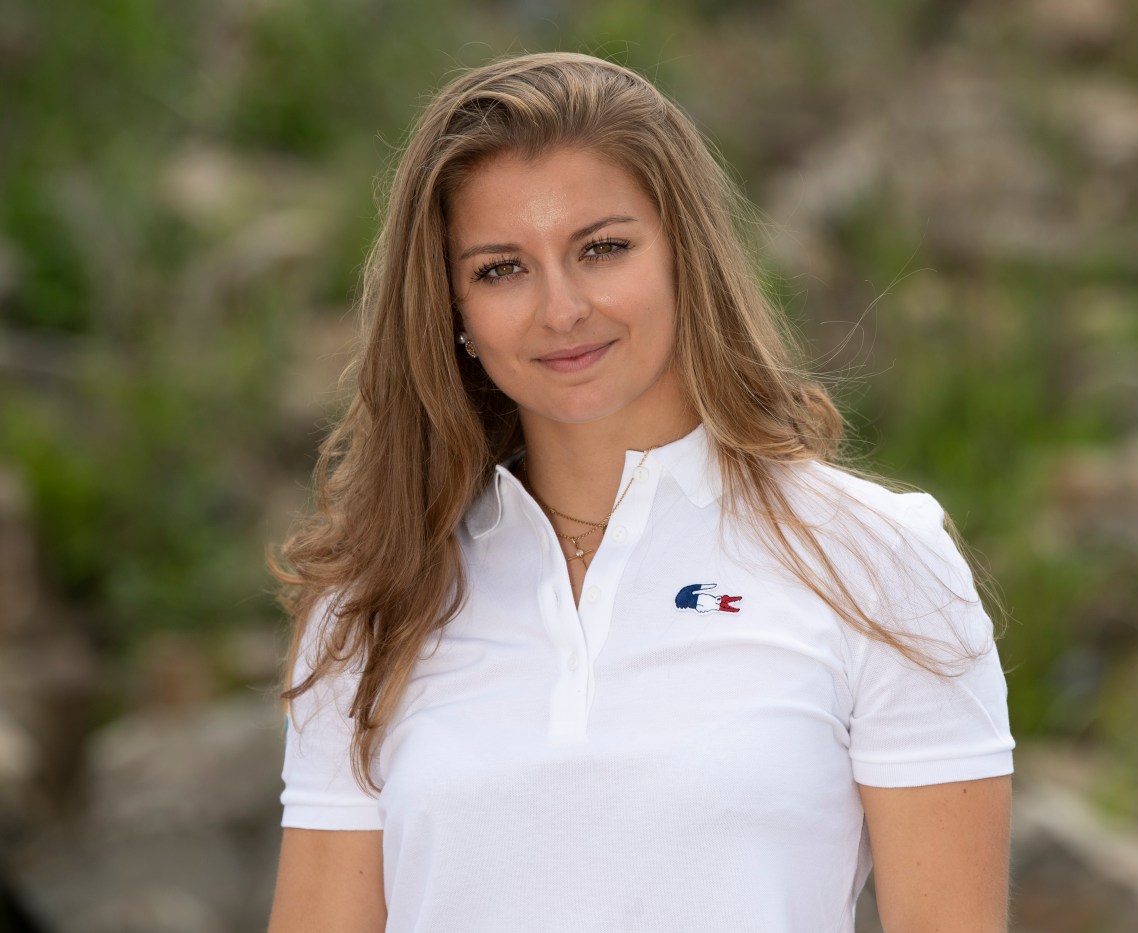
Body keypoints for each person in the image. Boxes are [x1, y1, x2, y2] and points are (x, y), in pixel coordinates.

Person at [266, 51, 1014, 933]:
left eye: (603, 248)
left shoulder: (875, 560)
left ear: (683, 258)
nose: (562, 309)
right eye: (500, 268)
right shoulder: (375, 601)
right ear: (452, 310)